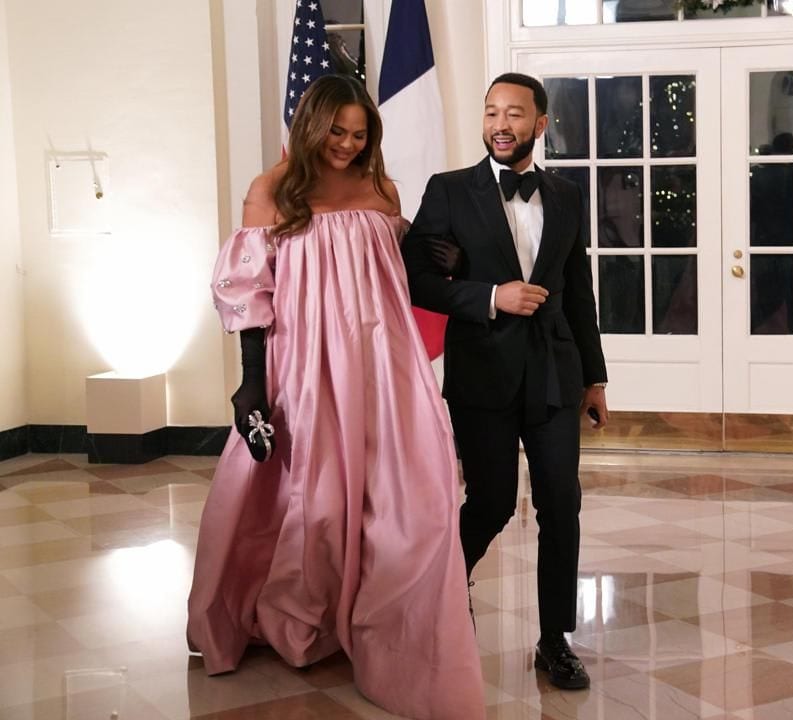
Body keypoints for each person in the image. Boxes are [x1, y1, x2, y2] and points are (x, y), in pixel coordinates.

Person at [187, 74, 484, 720]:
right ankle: (301, 618)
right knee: (313, 504)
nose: (348, 144)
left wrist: (437, 256)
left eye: (359, 134)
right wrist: (250, 382)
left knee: (411, 500)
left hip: (385, 367)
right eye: (337, 132)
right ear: (311, 125)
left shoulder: (382, 190)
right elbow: (248, 295)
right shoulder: (271, 192)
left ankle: (394, 624)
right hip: (308, 366)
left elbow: (397, 273)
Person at [402, 72, 608, 690]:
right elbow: (417, 280)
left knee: (561, 506)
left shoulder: (567, 195)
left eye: (514, 114)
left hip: (553, 375)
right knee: (490, 502)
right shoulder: (448, 191)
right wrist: (492, 296)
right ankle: (438, 597)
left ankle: (554, 639)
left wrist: (594, 377)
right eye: (491, 111)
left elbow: (578, 291)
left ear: (539, 125)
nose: (500, 124)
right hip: (482, 375)